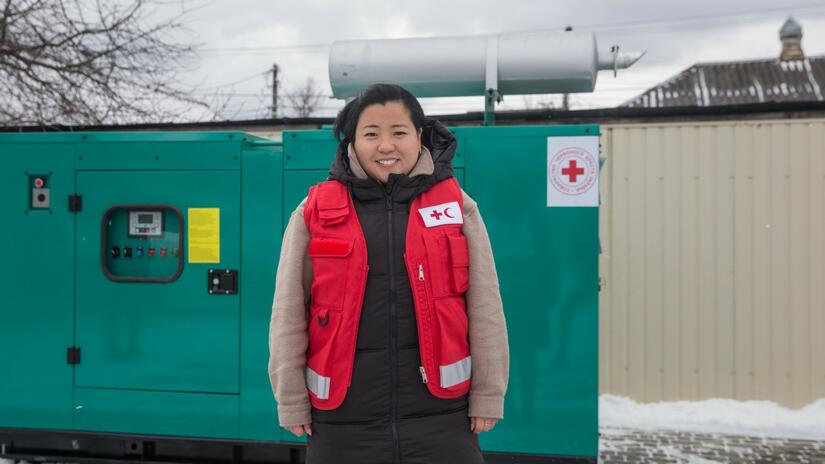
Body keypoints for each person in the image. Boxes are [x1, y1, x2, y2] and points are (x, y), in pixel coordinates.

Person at [268, 83, 509, 464]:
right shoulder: (313, 211)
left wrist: (488, 393)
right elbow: (288, 311)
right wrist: (291, 400)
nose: (386, 146)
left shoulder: (457, 206)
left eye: (398, 132)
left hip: (442, 419)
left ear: (419, 136)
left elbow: (485, 305)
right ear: (352, 141)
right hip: (342, 422)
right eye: (371, 134)